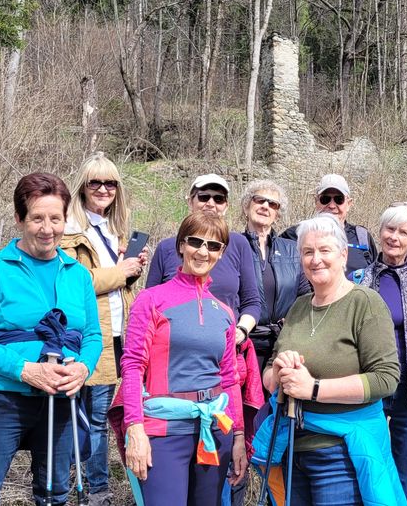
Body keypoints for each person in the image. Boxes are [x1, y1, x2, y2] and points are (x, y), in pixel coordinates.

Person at [0, 172, 103, 505]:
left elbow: (92, 335)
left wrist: (83, 369)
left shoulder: (78, 275)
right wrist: (26, 370)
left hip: (62, 399)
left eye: (56, 218)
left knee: (54, 494)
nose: (47, 228)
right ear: (20, 219)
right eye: (37, 218)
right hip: (4, 398)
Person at [252, 213, 406, 505]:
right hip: (291, 450)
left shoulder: (364, 303)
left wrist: (313, 389)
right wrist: (280, 371)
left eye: (324, 250)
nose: (316, 259)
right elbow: (270, 373)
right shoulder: (297, 308)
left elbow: (386, 378)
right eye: (308, 252)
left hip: (340, 455)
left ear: (343, 254)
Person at [118, 212, 247, 504]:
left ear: (222, 252)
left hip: (214, 431)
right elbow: (133, 365)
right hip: (163, 432)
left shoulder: (225, 313)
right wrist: (134, 428)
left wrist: (238, 436)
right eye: (196, 242)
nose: (203, 251)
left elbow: (229, 378)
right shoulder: (151, 300)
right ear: (181, 245)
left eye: (213, 246)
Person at [59, 153, 148, 504]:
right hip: (86, 336)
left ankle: (87, 483)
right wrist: (120, 272)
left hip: (114, 335)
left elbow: (112, 285)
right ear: (82, 186)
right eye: (95, 182)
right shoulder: (69, 229)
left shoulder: (111, 230)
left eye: (110, 183)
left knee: (95, 417)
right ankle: (92, 490)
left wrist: (130, 271)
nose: (103, 189)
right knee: (89, 419)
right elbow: (73, 282)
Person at [352, 202, 407, 506]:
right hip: (369, 389)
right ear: (380, 231)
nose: (395, 237)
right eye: (390, 229)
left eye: (404, 233)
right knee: (367, 472)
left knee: (406, 479)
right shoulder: (358, 280)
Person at [146, 174, 260, 343]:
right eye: (204, 197)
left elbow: (252, 301)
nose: (211, 203)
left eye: (218, 199)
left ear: (226, 206)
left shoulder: (238, 244)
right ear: (190, 202)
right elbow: (150, 305)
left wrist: (241, 331)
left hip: (226, 345)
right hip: (174, 347)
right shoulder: (167, 247)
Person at [240, 179, 310, 372]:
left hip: (283, 346)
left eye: (272, 204)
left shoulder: (292, 250)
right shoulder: (233, 246)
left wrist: (295, 320)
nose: (265, 206)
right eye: (259, 200)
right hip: (243, 345)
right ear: (247, 206)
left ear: (277, 214)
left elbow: (305, 295)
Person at [280, 174, 380, 274]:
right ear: (316, 201)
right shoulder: (295, 235)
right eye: (325, 199)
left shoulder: (362, 237)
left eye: (339, 199)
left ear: (349, 204)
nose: (332, 205)